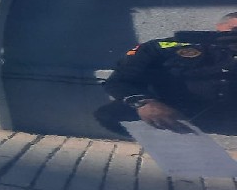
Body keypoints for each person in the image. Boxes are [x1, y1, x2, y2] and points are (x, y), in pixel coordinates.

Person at [98, 11, 237, 136]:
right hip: (171, 117)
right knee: (108, 114)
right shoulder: (163, 47)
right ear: (219, 27)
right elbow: (118, 81)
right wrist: (143, 103)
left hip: (223, 122)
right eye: (234, 30)